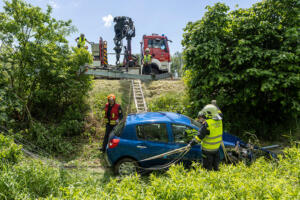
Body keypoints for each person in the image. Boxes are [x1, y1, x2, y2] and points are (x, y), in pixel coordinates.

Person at [191, 104, 223, 171]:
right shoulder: (220, 121)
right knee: (216, 167)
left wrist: (191, 143)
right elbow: (219, 113)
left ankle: (209, 180)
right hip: (216, 149)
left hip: (207, 151)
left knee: (207, 169)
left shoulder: (207, 124)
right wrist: (215, 105)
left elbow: (199, 137)